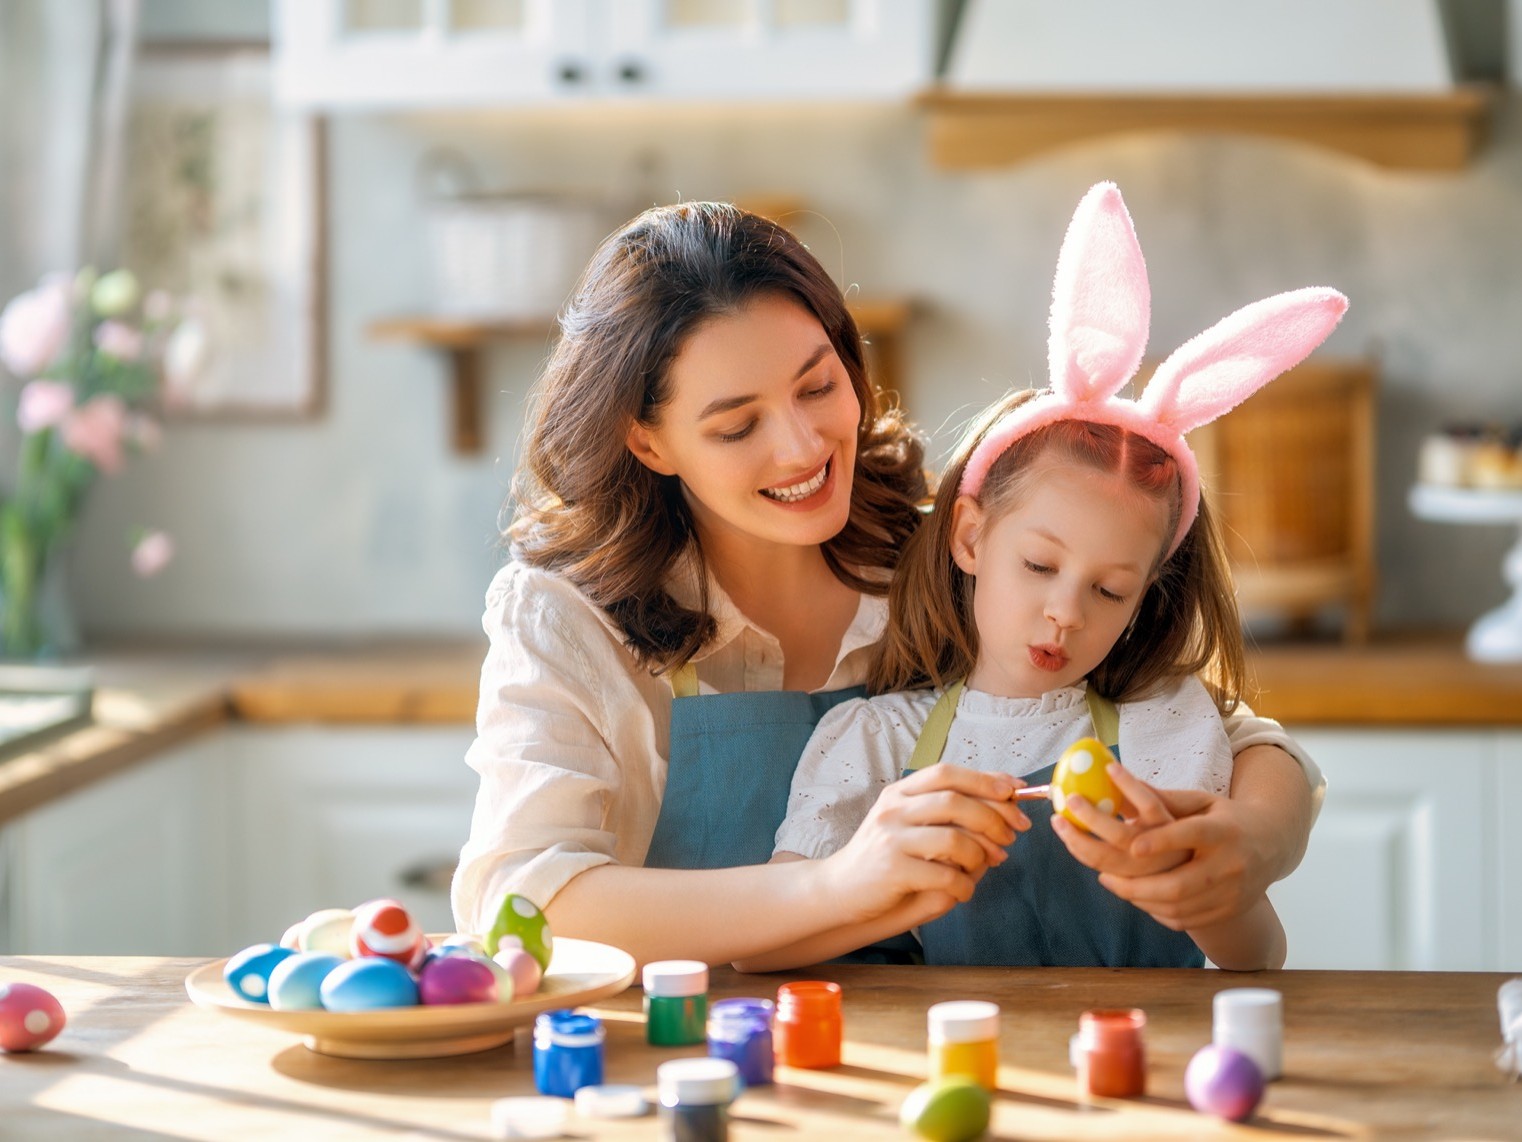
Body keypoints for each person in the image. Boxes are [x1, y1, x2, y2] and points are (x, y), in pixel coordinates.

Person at [451, 197, 1328, 968]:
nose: (801, 447)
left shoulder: (935, 554)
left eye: (817, 385)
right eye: (736, 425)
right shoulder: (564, 617)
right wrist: (836, 886)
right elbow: (523, 905)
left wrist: (1259, 840)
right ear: (648, 441)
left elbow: (1232, 731)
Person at [743, 182, 1349, 973]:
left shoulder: (1166, 728)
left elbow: (1259, 956)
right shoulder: (873, 741)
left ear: (1144, 602)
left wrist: (1196, 891)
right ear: (969, 537)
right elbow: (765, 953)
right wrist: (882, 882)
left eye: (1109, 590)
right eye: (1038, 566)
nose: (1065, 613)